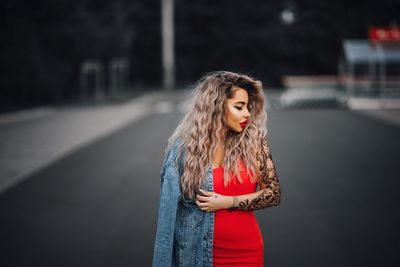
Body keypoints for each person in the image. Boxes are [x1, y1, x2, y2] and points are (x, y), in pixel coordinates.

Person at [152, 71, 281, 267]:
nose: (247, 113)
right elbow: (167, 220)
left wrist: (228, 202)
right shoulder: (183, 151)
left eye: (247, 106)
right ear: (217, 106)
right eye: (239, 107)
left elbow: (273, 193)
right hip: (195, 254)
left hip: (247, 253)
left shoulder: (255, 144)